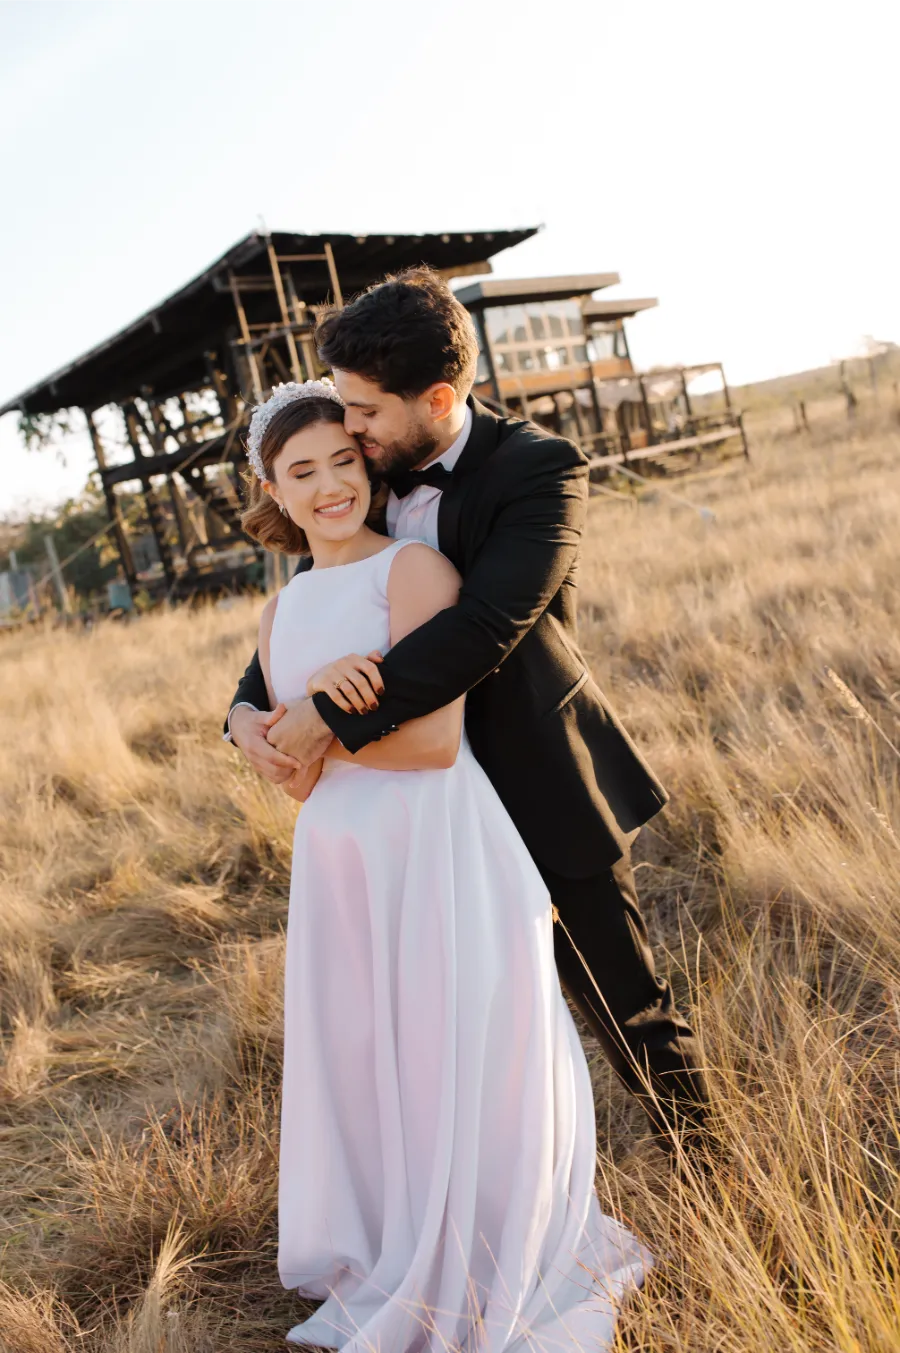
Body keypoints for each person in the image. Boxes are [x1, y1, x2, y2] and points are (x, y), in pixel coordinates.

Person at [227, 268, 711, 1156]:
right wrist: (245, 708)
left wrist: (327, 718)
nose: (353, 431)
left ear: (438, 396)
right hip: (422, 815)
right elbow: (322, 595)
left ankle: (709, 1161)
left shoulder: (540, 470)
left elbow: (483, 629)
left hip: (534, 772)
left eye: (365, 412)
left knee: (621, 995)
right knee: (462, 1020)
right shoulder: (373, 475)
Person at [240, 378, 649, 1350]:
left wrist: (326, 726)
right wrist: (271, 737)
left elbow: (429, 745)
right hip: (344, 865)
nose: (333, 483)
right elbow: (293, 784)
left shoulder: (413, 572)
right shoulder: (279, 613)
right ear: (274, 493)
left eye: (346, 458)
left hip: (437, 845)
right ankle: (402, 1233)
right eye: (304, 471)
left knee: (454, 1045)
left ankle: (488, 1237)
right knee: (377, 1057)